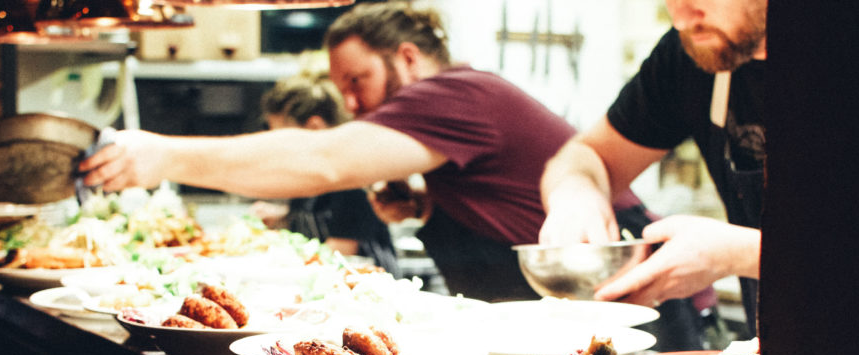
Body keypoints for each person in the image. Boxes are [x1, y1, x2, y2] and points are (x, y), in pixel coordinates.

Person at [78, 2, 655, 306]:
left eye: (359, 81)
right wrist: (427, 205)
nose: (351, 102)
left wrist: (162, 155)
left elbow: (321, 162)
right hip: (565, 303)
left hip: (623, 292)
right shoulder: (460, 104)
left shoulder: (456, 93)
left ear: (407, 57)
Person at [540, 0, 765, 337]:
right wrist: (577, 192)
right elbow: (586, 155)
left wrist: (737, 253)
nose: (680, 17)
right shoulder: (692, 54)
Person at [252, 72, 400, 275]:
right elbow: (308, 219)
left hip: (366, 291)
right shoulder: (306, 173)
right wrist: (282, 217)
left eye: (282, 138)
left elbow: (339, 252)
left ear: (314, 127)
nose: (278, 148)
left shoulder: (352, 178)